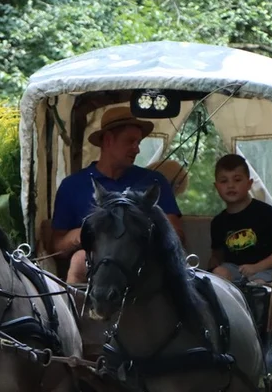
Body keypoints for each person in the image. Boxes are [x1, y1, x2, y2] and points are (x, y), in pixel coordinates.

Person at [51, 105, 185, 283]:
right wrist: (82, 234)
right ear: (107, 140)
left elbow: (176, 236)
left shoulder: (154, 182)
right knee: (78, 261)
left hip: (145, 270)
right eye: (130, 141)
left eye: (138, 143)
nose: (137, 149)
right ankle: (74, 311)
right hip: (93, 269)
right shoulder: (72, 186)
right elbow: (56, 247)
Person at [207, 154, 272, 287]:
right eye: (224, 181)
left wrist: (257, 267)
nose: (230, 185)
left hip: (266, 270)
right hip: (234, 270)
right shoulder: (218, 222)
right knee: (219, 274)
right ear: (216, 187)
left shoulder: (267, 213)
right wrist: (213, 270)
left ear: (249, 184)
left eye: (237, 180)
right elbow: (217, 256)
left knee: (256, 284)